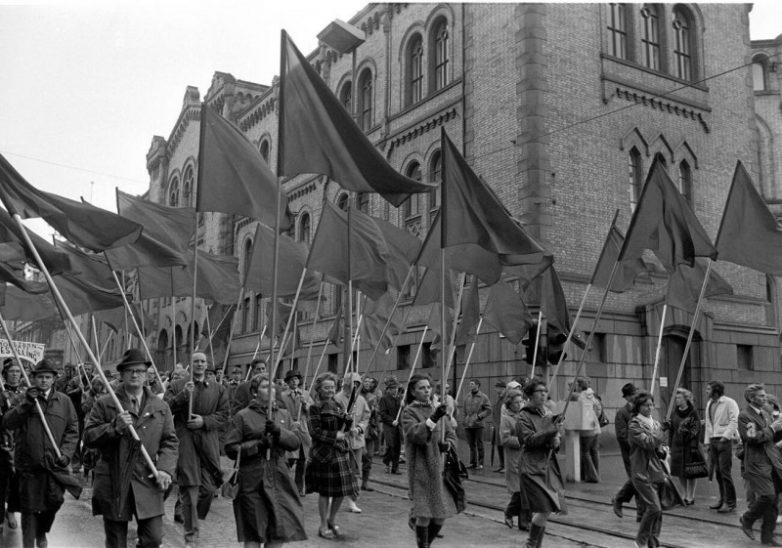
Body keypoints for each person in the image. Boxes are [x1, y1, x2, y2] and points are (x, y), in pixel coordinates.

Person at [84, 349, 178, 548]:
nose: (135, 375)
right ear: (121, 374)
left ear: (147, 375)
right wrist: (113, 427)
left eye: (140, 371)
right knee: (116, 542)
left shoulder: (160, 406)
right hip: (114, 480)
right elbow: (89, 437)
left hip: (147, 478)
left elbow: (170, 441)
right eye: (130, 370)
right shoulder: (106, 404)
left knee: (153, 538)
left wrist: (164, 469)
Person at [2, 359, 79, 548]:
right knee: (29, 509)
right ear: (33, 378)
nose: (44, 381)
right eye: (40, 377)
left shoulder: (64, 401)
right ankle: (29, 543)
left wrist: (66, 454)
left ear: (54, 379)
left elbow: (72, 429)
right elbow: (8, 422)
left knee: (54, 501)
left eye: (47, 377)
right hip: (28, 465)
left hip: (54, 465)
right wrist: (27, 403)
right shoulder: (23, 399)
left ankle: (42, 531)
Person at [224, 375, 306, 547]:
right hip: (252, 480)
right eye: (264, 387)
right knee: (253, 533)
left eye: (273, 387)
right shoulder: (243, 416)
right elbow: (231, 449)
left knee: (278, 532)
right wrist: (258, 444)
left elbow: (295, 443)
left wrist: (279, 432)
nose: (271, 390)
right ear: (254, 392)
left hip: (279, 477)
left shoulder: (283, 414)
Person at [164, 352, 229, 548]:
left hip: (208, 442)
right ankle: (191, 536)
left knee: (208, 489)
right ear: (190, 365)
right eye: (196, 361)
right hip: (186, 440)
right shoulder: (177, 385)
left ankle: (193, 518)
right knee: (190, 488)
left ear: (207, 365)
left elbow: (224, 415)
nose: (199, 364)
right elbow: (165, 409)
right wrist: (183, 395)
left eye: (202, 361)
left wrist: (204, 421)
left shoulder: (218, 389)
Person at [401, 374, 456, 548]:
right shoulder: (409, 412)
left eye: (428, 387)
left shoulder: (438, 409)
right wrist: (433, 419)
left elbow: (451, 434)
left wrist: (448, 444)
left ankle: (426, 542)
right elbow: (415, 435)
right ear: (413, 392)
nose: (426, 391)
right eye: (421, 388)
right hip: (421, 468)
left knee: (440, 516)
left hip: (439, 469)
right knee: (425, 515)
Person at [305, 372, 358, 539]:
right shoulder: (314, 407)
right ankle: (322, 525)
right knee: (325, 492)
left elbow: (344, 427)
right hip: (324, 454)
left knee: (342, 490)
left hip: (339, 452)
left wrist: (348, 421)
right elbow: (314, 431)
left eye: (332, 387)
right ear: (319, 389)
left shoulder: (338, 404)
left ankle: (331, 520)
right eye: (326, 387)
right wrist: (335, 435)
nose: (330, 390)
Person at [517, 379, 565, 548]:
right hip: (531, 466)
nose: (543, 394)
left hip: (547, 465)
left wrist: (556, 440)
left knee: (547, 508)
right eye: (539, 391)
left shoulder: (548, 413)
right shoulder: (523, 416)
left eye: (545, 391)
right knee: (544, 508)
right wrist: (551, 431)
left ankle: (535, 545)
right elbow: (528, 440)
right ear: (530, 395)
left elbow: (555, 439)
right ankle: (530, 544)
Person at [738, 384, 782, 546]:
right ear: (751, 398)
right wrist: (772, 428)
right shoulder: (745, 416)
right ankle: (747, 519)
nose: (765, 398)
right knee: (768, 495)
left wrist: (778, 428)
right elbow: (752, 438)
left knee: (773, 500)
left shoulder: (765, 413)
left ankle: (767, 537)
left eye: (764, 395)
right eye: (761, 396)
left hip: (772, 461)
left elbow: (771, 437)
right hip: (757, 463)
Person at [628, 390, 668, 548]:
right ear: (638, 406)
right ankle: (640, 541)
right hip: (641, 472)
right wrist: (662, 432)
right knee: (654, 507)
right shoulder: (634, 425)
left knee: (658, 511)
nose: (650, 408)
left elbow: (659, 448)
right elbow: (648, 443)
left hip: (656, 471)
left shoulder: (656, 423)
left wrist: (663, 451)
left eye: (651, 405)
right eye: (646, 405)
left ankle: (654, 542)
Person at [334, 372, 370, 514]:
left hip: (357, 441)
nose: (354, 386)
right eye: (352, 383)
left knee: (355, 471)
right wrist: (345, 427)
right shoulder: (337, 398)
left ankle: (352, 500)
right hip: (342, 440)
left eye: (357, 384)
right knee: (340, 471)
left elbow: (366, 416)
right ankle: (333, 497)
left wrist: (359, 428)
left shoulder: (360, 399)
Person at [704, 380, 740, 513]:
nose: (706, 391)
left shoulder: (729, 402)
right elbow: (708, 423)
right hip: (713, 439)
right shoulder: (709, 403)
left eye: (709, 389)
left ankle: (730, 502)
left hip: (724, 440)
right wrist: (707, 441)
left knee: (725, 472)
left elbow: (734, 420)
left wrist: (726, 436)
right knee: (718, 472)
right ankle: (722, 499)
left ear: (716, 390)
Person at [612, 382, 645, 521]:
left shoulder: (641, 410)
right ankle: (621, 500)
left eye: (635, 393)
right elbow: (621, 435)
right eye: (631, 394)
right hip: (631, 453)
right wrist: (635, 442)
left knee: (641, 480)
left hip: (643, 451)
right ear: (626, 397)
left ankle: (640, 513)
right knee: (636, 480)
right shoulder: (622, 413)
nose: (634, 396)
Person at [277, 369, 312, 496]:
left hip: (303, 428)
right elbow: (280, 411)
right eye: (291, 380)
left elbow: (312, 411)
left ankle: (299, 486)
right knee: (289, 458)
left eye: (296, 379)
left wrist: (305, 403)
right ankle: (283, 483)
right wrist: (291, 422)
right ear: (287, 382)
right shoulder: (282, 395)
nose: (294, 382)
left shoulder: (305, 394)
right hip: (288, 426)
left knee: (303, 459)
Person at [0, 359, 25, 533]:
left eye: (18, 371)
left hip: (21, 441)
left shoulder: (25, 393)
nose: (15, 374)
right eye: (12, 371)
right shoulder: (1, 393)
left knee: (17, 480)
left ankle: (11, 511)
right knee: (2, 479)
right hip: (3, 440)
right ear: (5, 374)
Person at [665, 387, 701, 505]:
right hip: (677, 446)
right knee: (679, 471)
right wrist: (670, 445)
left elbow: (696, 429)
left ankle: (691, 496)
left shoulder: (692, 412)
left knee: (691, 472)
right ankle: (684, 494)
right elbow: (672, 430)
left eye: (679, 398)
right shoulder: (674, 412)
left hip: (689, 446)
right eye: (676, 398)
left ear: (686, 399)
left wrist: (694, 445)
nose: (677, 400)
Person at [499, 388, 529, 531]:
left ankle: (524, 522)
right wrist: (522, 441)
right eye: (516, 402)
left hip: (527, 458)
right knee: (519, 491)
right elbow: (505, 439)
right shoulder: (506, 418)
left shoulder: (525, 416)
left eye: (521, 401)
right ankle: (509, 512)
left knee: (527, 490)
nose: (519, 404)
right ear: (510, 403)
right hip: (514, 458)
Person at [462, 378, 492, 470]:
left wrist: (479, 416)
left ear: (477, 385)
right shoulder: (467, 397)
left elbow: (489, 409)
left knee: (479, 444)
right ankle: (472, 462)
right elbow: (464, 410)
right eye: (470, 384)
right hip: (468, 424)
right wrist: (464, 420)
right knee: (471, 445)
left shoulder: (483, 397)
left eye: (472, 384)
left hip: (478, 424)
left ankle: (481, 463)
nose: (470, 385)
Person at [576, 379, 602, 483]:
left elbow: (578, 412)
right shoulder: (593, 396)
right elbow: (599, 409)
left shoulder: (580, 397)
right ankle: (596, 473)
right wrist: (594, 418)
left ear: (579, 386)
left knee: (585, 452)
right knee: (594, 451)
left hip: (586, 428)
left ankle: (592, 476)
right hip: (595, 426)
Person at [378, 375, 403, 474]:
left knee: (397, 446)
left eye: (396, 388)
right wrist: (391, 421)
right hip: (389, 425)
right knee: (391, 445)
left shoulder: (399, 398)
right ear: (388, 389)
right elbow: (383, 413)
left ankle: (395, 467)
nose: (395, 390)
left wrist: (402, 405)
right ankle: (386, 462)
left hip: (398, 426)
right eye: (392, 388)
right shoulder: (384, 399)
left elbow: (401, 411)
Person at [360, 376, 380, 492]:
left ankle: (365, 482)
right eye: (365, 381)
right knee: (358, 456)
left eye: (369, 382)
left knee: (369, 456)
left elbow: (376, 413)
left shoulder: (373, 396)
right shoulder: (357, 396)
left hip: (370, 430)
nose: (367, 383)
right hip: (359, 430)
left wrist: (374, 410)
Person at [492, 380, 507, 473]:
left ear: (502, 388)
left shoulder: (506, 399)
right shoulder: (498, 398)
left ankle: (506, 465)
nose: (495, 389)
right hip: (497, 425)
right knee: (499, 446)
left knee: (504, 446)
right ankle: (502, 465)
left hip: (504, 426)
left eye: (497, 387)